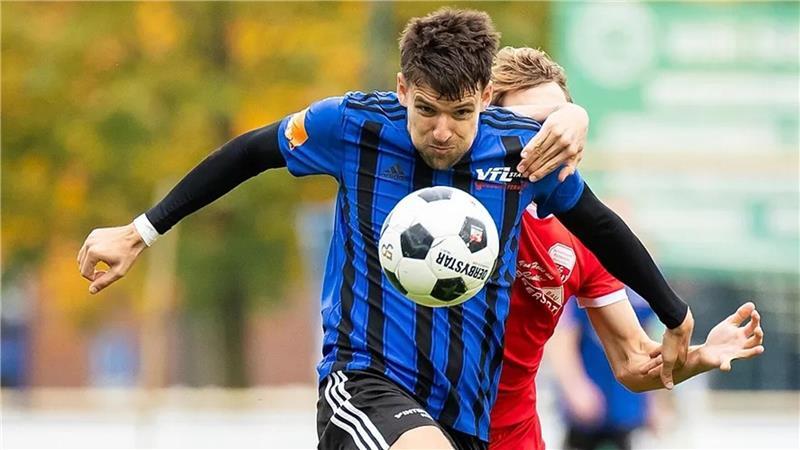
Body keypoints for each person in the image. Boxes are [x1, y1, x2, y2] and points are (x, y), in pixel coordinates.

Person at [78, 9, 695, 449]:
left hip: (465, 411)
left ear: (484, 95)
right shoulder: (352, 128)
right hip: (363, 382)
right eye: (426, 110)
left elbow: (599, 225)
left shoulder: (520, 154)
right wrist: (139, 232)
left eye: (461, 113)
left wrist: (674, 314)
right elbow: (248, 152)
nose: (443, 132)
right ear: (403, 90)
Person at [487, 46, 765, 450]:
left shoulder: (585, 237)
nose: (551, 138)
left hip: (515, 438)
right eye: (534, 124)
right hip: (430, 426)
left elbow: (633, 361)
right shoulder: (453, 205)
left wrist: (702, 356)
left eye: (558, 123)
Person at [548, 292, 666, 450]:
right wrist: (575, 386)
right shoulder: (588, 278)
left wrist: (652, 398)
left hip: (624, 401)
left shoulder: (640, 290)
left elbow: (646, 342)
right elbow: (563, 336)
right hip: (590, 395)